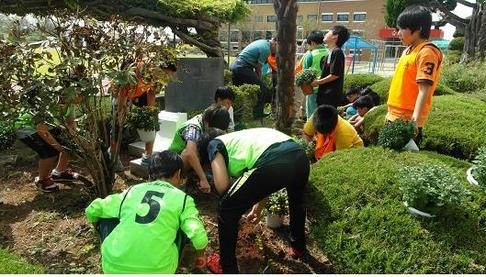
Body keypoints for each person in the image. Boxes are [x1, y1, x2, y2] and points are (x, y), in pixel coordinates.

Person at [197, 127, 310, 273]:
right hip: (299, 155)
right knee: (296, 201)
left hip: (274, 159)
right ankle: (298, 247)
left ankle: (226, 267)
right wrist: (258, 207)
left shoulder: (214, 144)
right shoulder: (242, 139)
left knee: (225, 209)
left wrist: (232, 202)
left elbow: (222, 186)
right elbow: (264, 178)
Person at [85, 150, 208, 273]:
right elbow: (199, 236)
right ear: (178, 174)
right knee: (180, 228)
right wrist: (200, 257)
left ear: (150, 175)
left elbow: (93, 209)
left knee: (110, 215)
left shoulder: (132, 191)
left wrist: (98, 229)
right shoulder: (182, 199)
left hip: (113, 265)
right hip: (157, 269)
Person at [386, 5, 443, 145]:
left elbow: (424, 90)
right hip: (393, 116)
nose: (397, 33)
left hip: (407, 120)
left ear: (418, 29)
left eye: (401, 29)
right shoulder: (408, 51)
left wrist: (414, 122)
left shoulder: (427, 52)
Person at [168, 104, 230, 193]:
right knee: (188, 153)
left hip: (193, 161)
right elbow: (190, 153)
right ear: (207, 123)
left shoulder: (208, 120)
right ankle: (180, 183)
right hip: (174, 164)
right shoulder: (193, 128)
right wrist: (203, 179)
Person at [15, 113, 77, 193]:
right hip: (28, 129)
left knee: (69, 145)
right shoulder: (46, 104)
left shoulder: (70, 104)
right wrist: (59, 148)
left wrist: (75, 139)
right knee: (49, 152)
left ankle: (59, 173)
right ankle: (42, 180)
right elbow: (41, 130)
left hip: (50, 126)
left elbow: (71, 122)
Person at [229, 37, 278, 119]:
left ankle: (237, 115)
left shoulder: (263, 42)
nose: (277, 52)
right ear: (276, 43)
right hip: (242, 67)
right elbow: (258, 68)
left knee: (239, 93)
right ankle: (258, 114)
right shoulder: (266, 49)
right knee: (262, 89)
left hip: (236, 65)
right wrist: (260, 81)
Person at [311, 25, 350, 108]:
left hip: (330, 96)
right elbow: (330, 72)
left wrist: (318, 82)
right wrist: (319, 78)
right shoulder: (331, 51)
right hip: (325, 94)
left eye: (328, 32)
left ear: (335, 36)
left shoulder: (337, 52)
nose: (325, 34)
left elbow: (335, 75)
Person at [301, 30, 329, 119]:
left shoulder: (310, 55)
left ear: (312, 43)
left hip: (313, 89)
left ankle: (312, 132)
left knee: (312, 116)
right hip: (327, 89)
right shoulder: (330, 52)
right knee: (325, 115)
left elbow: (304, 74)